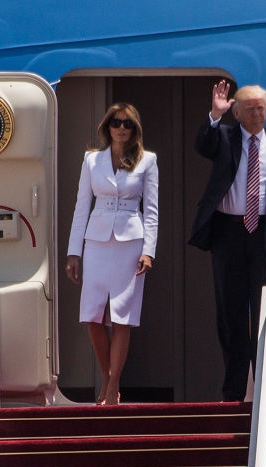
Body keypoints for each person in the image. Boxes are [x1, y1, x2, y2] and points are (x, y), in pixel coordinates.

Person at [189, 80, 266, 401]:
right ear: (238, 113)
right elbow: (202, 145)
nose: (257, 114)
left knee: (265, 313)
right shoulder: (225, 138)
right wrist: (215, 115)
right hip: (228, 235)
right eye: (250, 109)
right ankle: (234, 392)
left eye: (262, 108)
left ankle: (265, 389)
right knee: (230, 316)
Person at [66, 103, 158, 405]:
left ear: (135, 129)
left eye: (128, 124)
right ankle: (106, 377)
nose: (122, 128)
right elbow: (81, 206)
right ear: (108, 127)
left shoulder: (147, 161)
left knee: (122, 316)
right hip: (95, 241)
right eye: (117, 123)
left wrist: (149, 251)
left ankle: (114, 383)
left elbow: (152, 211)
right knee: (92, 315)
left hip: (131, 241)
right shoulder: (92, 160)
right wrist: (73, 252)